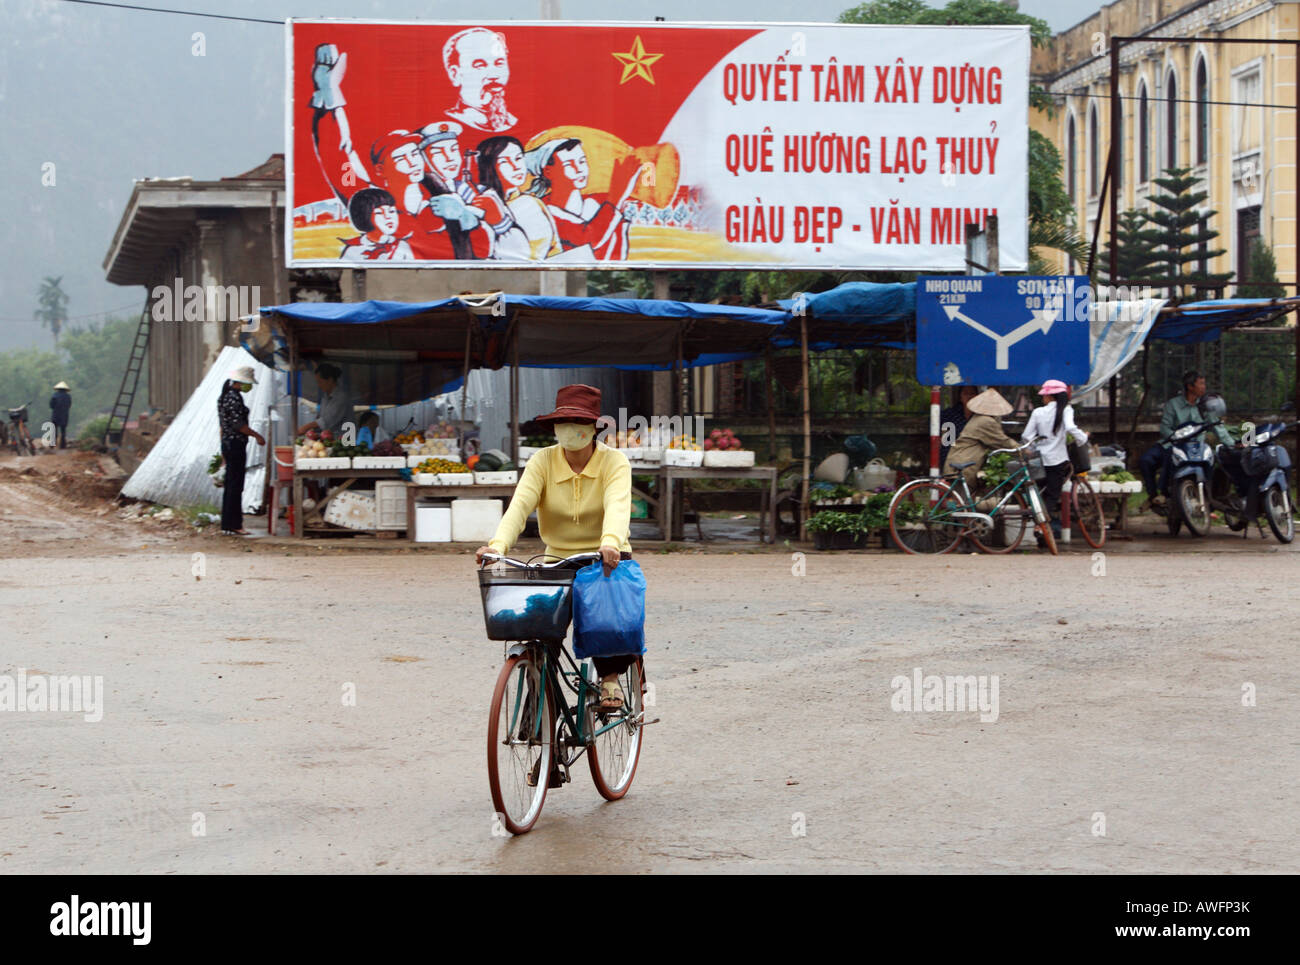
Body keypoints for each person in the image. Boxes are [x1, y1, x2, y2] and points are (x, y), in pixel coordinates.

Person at [475, 384, 635, 711]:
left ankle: (609, 682)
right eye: (563, 422)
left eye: (577, 421)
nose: (569, 429)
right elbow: (519, 507)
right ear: (554, 427)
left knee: (606, 622)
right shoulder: (542, 461)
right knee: (538, 626)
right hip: (557, 560)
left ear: (593, 427)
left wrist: (610, 543)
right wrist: (497, 546)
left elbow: (618, 506)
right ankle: (539, 693)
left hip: (606, 558)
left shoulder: (614, 462)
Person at [1139, 370, 1235, 511]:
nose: (1204, 387)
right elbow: (1165, 428)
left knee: (1214, 461)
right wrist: (1175, 437)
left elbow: (1217, 427)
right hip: (1172, 444)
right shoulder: (1173, 404)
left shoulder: (1206, 405)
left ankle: (1209, 494)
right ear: (1190, 386)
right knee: (1146, 460)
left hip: (1197, 447)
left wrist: (1232, 444)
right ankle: (1154, 495)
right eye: (1201, 384)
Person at [1021, 379, 1088, 542]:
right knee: (1052, 496)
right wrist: (1083, 439)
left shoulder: (1038, 412)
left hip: (1039, 460)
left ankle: (1041, 533)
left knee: (1040, 494)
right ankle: (1040, 526)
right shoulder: (1066, 410)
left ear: (1049, 396)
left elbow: (1026, 436)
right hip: (1057, 460)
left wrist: (1033, 448)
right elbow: (1071, 428)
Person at [473, 135, 559, 260]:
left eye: (518, 158)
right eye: (504, 161)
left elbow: (555, 248)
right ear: (489, 167)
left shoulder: (534, 202)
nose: (516, 166)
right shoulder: (483, 206)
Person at [217, 366, 265, 536]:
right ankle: (235, 524)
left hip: (228, 443)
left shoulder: (224, 397)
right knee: (236, 485)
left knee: (231, 484)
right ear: (241, 382)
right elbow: (239, 425)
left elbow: (223, 426)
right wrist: (257, 436)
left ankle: (228, 523)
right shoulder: (234, 398)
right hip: (236, 444)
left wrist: (222, 448)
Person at [442, 27, 517, 133]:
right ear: (455, 74)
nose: (493, 75)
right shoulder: (450, 123)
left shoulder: (513, 121)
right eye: (480, 66)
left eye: (499, 63)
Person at [943, 388, 1019, 487]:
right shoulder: (985, 421)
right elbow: (1003, 441)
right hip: (964, 465)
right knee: (963, 500)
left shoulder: (978, 418)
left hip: (961, 461)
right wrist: (1022, 449)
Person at [296, 363, 353, 438]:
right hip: (331, 440)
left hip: (346, 441)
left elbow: (327, 421)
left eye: (320, 382)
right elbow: (320, 418)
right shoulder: (325, 397)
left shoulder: (341, 398)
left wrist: (306, 427)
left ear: (330, 380)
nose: (319, 385)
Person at [938, 384, 978, 469]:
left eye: (972, 393)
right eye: (966, 393)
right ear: (960, 397)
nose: (969, 396)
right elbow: (947, 443)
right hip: (952, 459)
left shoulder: (981, 417)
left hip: (973, 459)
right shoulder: (950, 416)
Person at [49, 381, 72, 449]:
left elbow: (51, 406)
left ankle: (52, 444)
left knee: (54, 429)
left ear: (58, 389)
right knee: (63, 430)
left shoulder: (54, 396)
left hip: (56, 414)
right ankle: (63, 445)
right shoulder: (68, 396)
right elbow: (69, 405)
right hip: (64, 415)